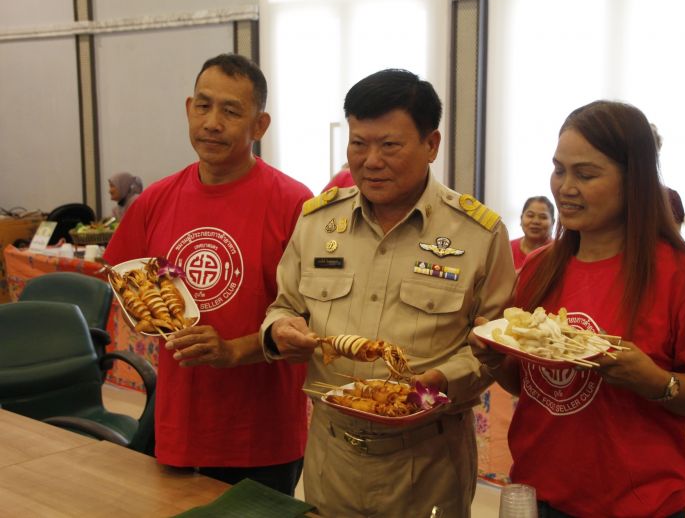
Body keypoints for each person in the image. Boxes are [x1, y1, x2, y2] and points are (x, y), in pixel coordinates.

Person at [260, 69, 516, 517]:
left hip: (428, 460)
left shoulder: (478, 234)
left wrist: (438, 382)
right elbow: (285, 305)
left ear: (431, 145)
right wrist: (279, 329)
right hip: (331, 455)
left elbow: (496, 347)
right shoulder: (317, 222)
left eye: (389, 145)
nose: (370, 160)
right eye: (359, 143)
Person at [479, 101, 685, 517]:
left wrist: (655, 381)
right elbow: (536, 387)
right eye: (559, 169)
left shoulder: (682, 273)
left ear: (632, 180)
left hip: (640, 505)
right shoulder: (539, 267)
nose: (565, 187)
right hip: (542, 493)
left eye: (585, 174)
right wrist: (495, 360)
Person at [103, 53, 312, 494]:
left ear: (260, 125)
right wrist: (152, 316)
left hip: (263, 437)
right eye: (203, 106)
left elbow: (313, 322)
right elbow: (126, 288)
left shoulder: (295, 204)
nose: (212, 122)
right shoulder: (154, 201)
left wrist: (233, 350)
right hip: (179, 426)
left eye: (231, 111)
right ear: (187, 109)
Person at [509, 196, 554, 269]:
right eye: (530, 215)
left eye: (543, 217)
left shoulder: (561, 252)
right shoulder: (507, 249)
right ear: (521, 219)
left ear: (553, 222)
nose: (535, 221)